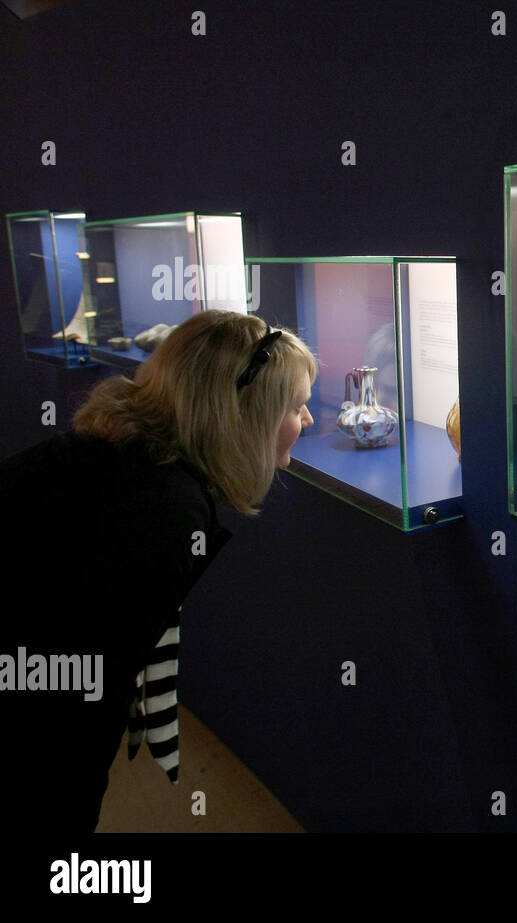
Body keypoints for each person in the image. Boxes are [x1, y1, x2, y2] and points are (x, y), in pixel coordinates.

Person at [0, 309, 316, 832]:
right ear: (244, 414)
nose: (306, 421)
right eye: (296, 407)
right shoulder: (166, 511)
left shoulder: (116, 452)